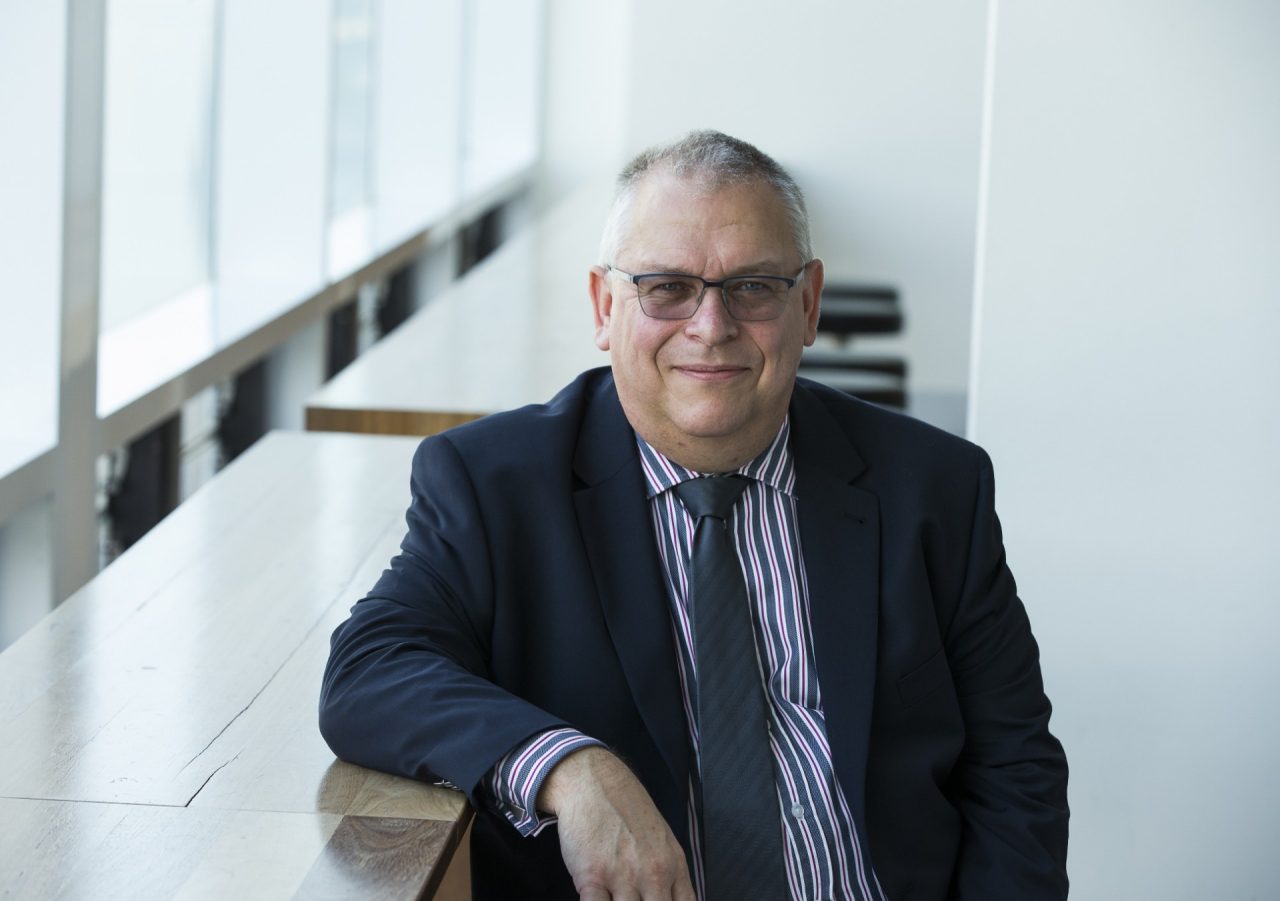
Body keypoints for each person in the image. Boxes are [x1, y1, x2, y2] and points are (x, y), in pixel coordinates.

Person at [320, 130, 1068, 900]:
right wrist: (570, 765)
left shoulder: (934, 487)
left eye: (752, 287)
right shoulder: (494, 486)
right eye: (667, 287)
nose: (711, 326)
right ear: (605, 306)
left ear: (807, 303)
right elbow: (369, 669)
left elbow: (1014, 765)